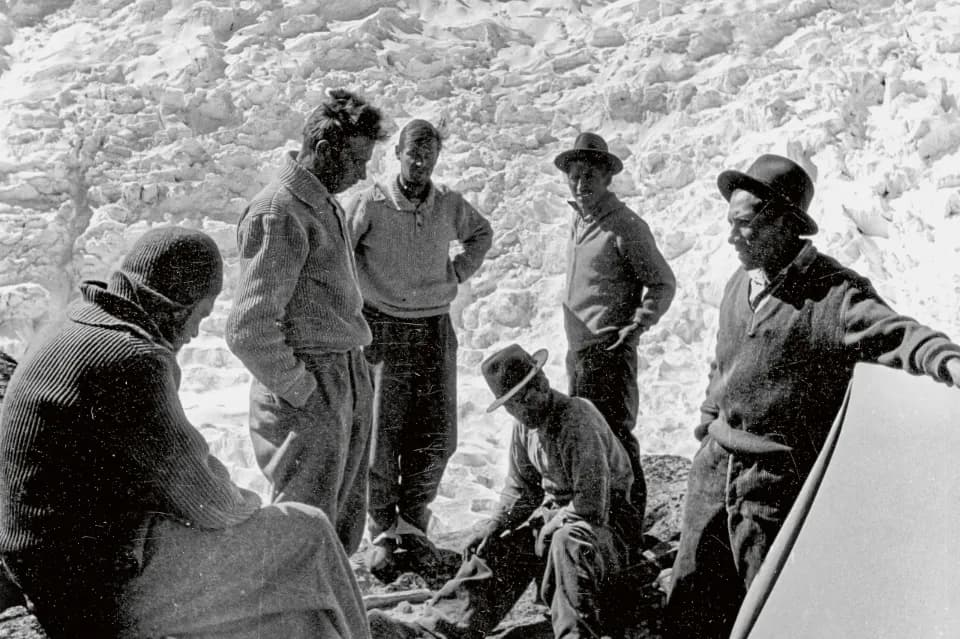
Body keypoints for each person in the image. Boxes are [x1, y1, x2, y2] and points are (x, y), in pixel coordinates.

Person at [0, 227, 373, 639]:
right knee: (309, 532)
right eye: (201, 315)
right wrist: (251, 509)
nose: (195, 332)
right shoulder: (133, 359)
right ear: (177, 307)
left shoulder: (74, 320)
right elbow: (210, 504)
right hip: (92, 591)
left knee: (295, 613)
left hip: (46, 566)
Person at [664, 154, 960, 638]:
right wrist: (707, 426)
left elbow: (901, 335)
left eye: (744, 225)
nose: (732, 237)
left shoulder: (835, 296)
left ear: (784, 222)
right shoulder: (741, 281)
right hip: (713, 470)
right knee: (691, 602)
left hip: (772, 489)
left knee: (772, 614)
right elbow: (722, 365)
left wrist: (947, 359)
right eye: (730, 223)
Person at [369, 344, 645, 639]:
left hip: (608, 528)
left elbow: (591, 505)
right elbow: (521, 488)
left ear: (543, 383)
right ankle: (435, 630)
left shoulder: (576, 419)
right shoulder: (526, 427)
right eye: (513, 403)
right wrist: (495, 523)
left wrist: (547, 526)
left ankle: (575, 633)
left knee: (567, 541)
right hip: (563, 518)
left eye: (528, 395)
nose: (523, 407)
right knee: (500, 545)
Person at [225, 89, 389, 555]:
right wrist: (305, 393)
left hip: (341, 377)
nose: (362, 173)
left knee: (339, 529)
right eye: (357, 160)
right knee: (302, 536)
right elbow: (249, 329)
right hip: (312, 386)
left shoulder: (321, 200)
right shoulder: (279, 211)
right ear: (322, 151)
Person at [345, 119, 492, 581]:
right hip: (382, 330)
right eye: (413, 154)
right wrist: (359, 295)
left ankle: (414, 527)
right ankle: (383, 532)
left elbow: (480, 234)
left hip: (433, 328)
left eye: (429, 155)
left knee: (435, 432)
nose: (421, 163)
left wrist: (457, 272)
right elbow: (341, 249)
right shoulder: (371, 201)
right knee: (381, 436)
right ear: (399, 154)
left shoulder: (447, 202)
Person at [556, 132, 676, 521]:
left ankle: (629, 529)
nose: (580, 183)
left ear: (606, 178)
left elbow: (662, 281)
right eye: (573, 175)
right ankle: (603, 526)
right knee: (590, 440)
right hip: (580, 353)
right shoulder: (581, 219)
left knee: (617, 440)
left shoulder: (625, 225)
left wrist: (638, 325)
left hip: (608, 351)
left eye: (589, 175)